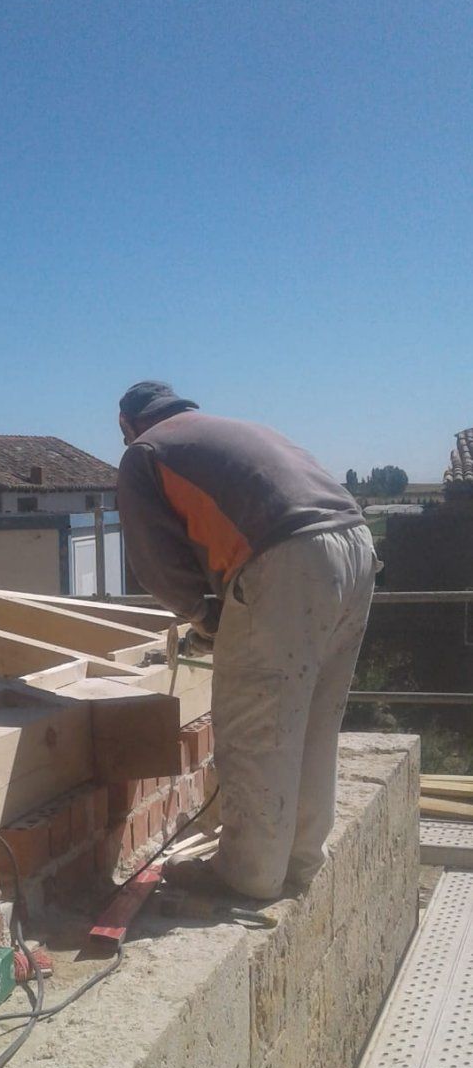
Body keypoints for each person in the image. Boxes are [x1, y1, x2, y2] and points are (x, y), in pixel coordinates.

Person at [116, 381, 377, 902]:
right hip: (356, 547)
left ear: (127, 426)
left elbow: (154, 562)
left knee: (255, 727)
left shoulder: (145, 452)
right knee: (313, 724)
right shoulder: (232, 431)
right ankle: (299, 862)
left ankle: (248, 876)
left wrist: (203, 616)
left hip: (289, 557)